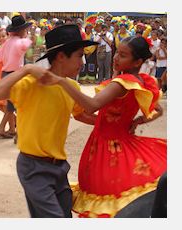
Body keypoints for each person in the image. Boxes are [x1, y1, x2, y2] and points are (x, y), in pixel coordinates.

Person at [39, 36, 167, 217]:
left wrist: (62, 82)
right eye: (117, 53)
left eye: (122, 55)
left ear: (138, 61)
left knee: (104, 200)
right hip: (121, 142)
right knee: (118, 199)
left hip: (105, 149)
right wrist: (136, 121)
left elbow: (91, 106)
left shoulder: (120, 84)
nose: (115, 58)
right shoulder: (144, 80)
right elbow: (158, 110)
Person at [0, 24, 98, 217]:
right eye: (79, 55)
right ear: (62, 56)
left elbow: (81, 113)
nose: (82, 62)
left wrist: (112, 124)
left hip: (60, 167)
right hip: (34, 168)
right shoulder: (31, 84)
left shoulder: (71, 86)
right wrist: (27, 69)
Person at [0, 15, 33, 139]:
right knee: (19, 105)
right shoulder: (21, 42)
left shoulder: (7, 42)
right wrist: (28, 37)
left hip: (5, 74)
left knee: (11, 105)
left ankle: (11, 129)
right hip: (15, 75)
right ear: (21, 30)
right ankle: (9, 130)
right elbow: (28, 44)